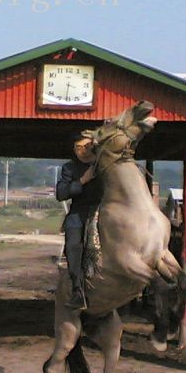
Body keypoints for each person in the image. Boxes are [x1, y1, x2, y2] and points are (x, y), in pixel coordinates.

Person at [56, 133, 103, 311]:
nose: (82, 151)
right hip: (78, 212)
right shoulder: (69, 168)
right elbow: (61, 194)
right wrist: (83, 181)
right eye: (78, 147)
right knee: (72, 247)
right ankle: (78, 291)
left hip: (103, 210)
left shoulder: (105, 165)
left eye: (86, 146)